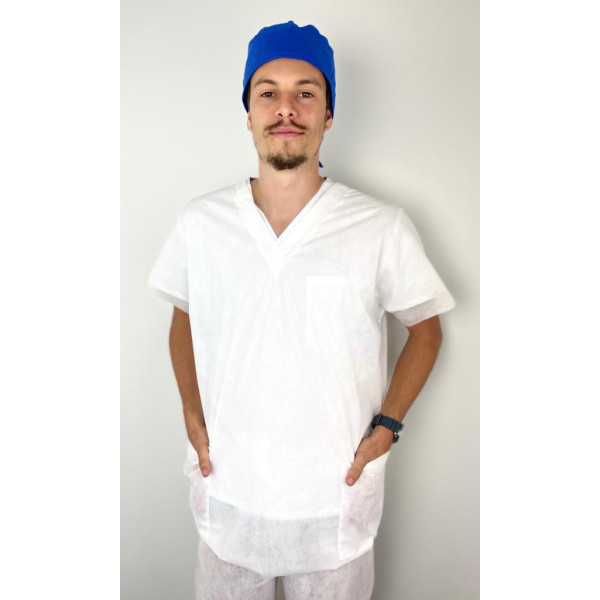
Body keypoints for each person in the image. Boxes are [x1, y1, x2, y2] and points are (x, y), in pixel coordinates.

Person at [148, 20, 456, 600]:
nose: (285, 108)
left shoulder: (378, 227)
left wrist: (387, 427)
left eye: (306, 93)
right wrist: (191, 411)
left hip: (332, 503)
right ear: (248, 112)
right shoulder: (202, 224)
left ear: (328, 115)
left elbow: (426, 328)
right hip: (230, 496)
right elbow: (184, 313)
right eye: (267, 92)